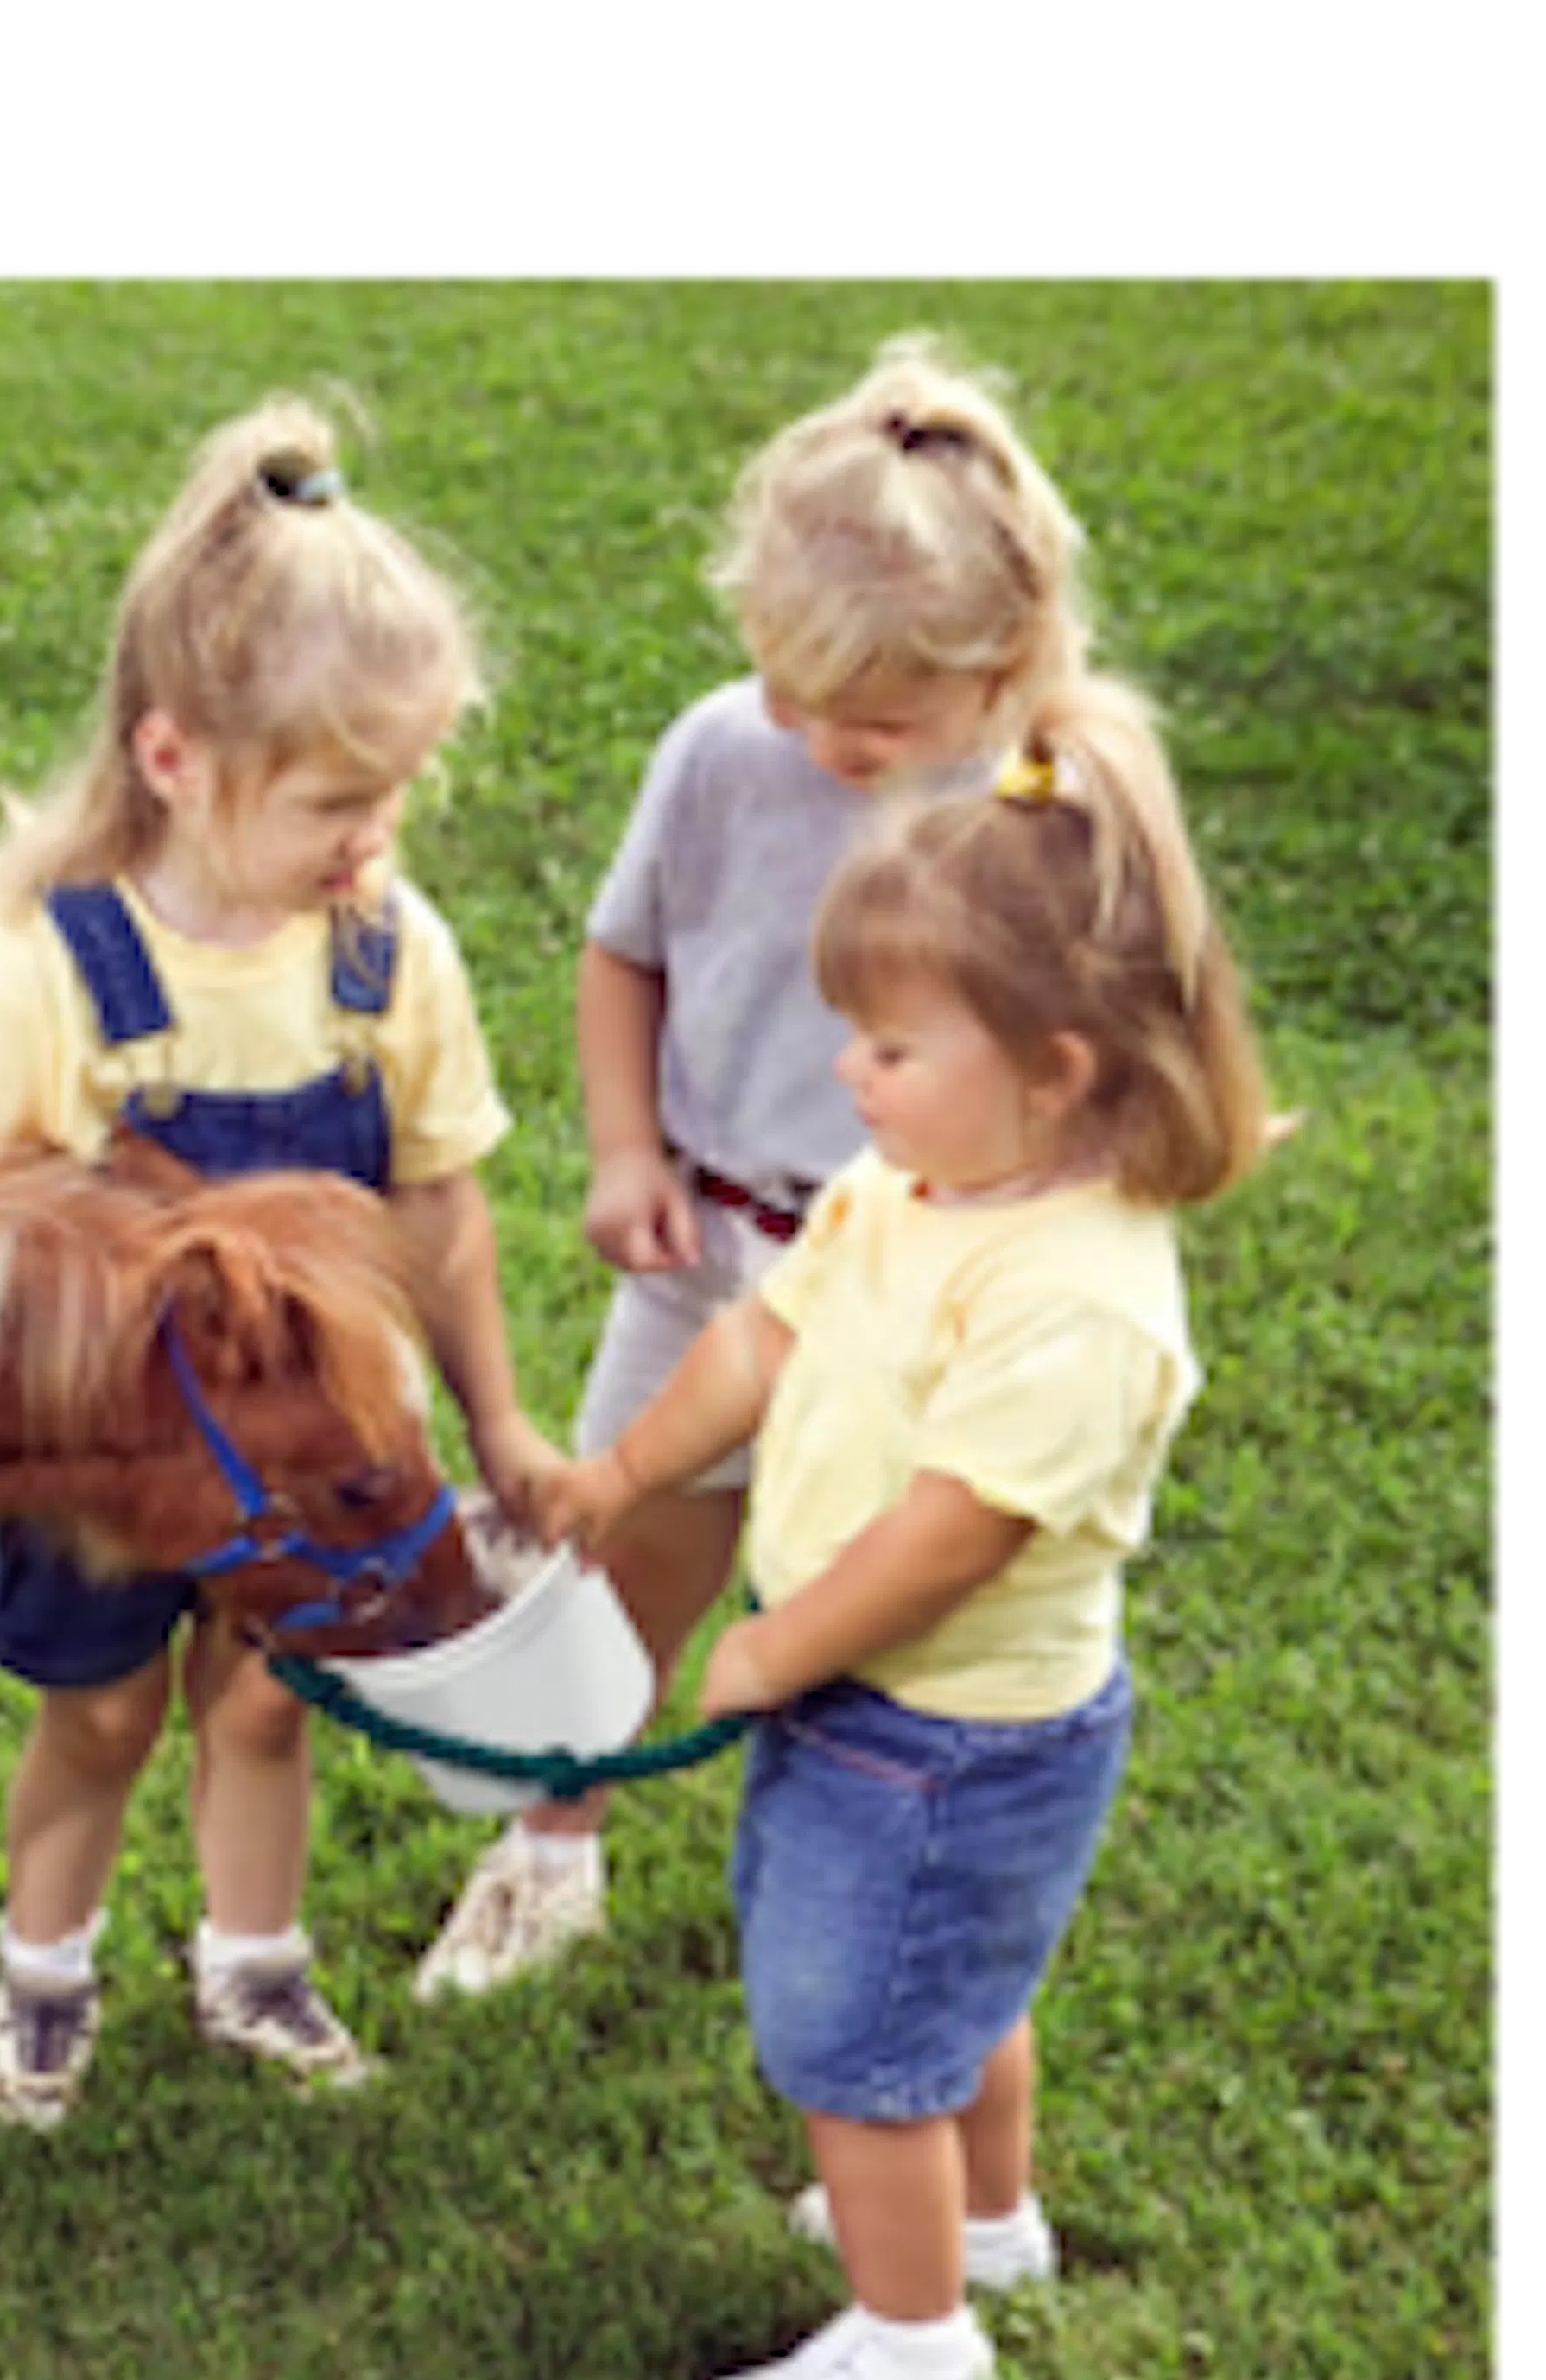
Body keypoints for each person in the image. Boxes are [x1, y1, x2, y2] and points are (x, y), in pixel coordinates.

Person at [534, 678, 1270, 2380]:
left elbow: (955, 1536)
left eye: (887, 1047)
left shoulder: (1077, 1295)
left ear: (1056, 1071)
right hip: (881, 1704)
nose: (845, 1075)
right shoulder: (905, 1188)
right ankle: (987, 2226)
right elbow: (757, 1343)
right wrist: (623, 1473)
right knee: (953, 1994)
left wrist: (778, 1649)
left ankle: (915, 2358)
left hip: (945, 1730)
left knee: (856, 2042)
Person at [415, 334, 1099, 2002]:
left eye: (873, 718)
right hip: (714, 1247)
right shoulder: (724, 751)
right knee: (622, 1563)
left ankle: (862, 1871)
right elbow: (625, 952)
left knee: (878, 1600)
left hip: (919, 1289)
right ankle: (549, 1852)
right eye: (790, 692)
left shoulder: (1050, 813)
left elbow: (1101, 1065)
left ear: (1004, 661)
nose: (820, 737)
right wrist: (626, 1148)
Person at [0, 396, 561, 2127]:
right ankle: (42, 1979)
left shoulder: (389, 955)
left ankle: (254, 1969)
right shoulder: (51, 964)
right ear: (173, 757)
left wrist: (496, 1425)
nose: (374, 837)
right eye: (336, 800)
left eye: (398, 792)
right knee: (103, 1714)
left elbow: (443, 1208)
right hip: (117, 1457)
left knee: (272, 1704)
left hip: (326, 1453)